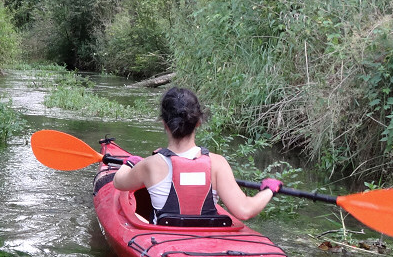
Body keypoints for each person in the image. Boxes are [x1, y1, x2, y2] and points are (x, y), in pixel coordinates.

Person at [110, 87, 281, 223]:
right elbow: (245, 210)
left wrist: (130, 163)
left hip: (165, 243)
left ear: (164, 124)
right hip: (206, 245)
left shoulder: (151, 165)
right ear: (198, 122)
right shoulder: (217, 164)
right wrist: (268, 190)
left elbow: (119, 182)